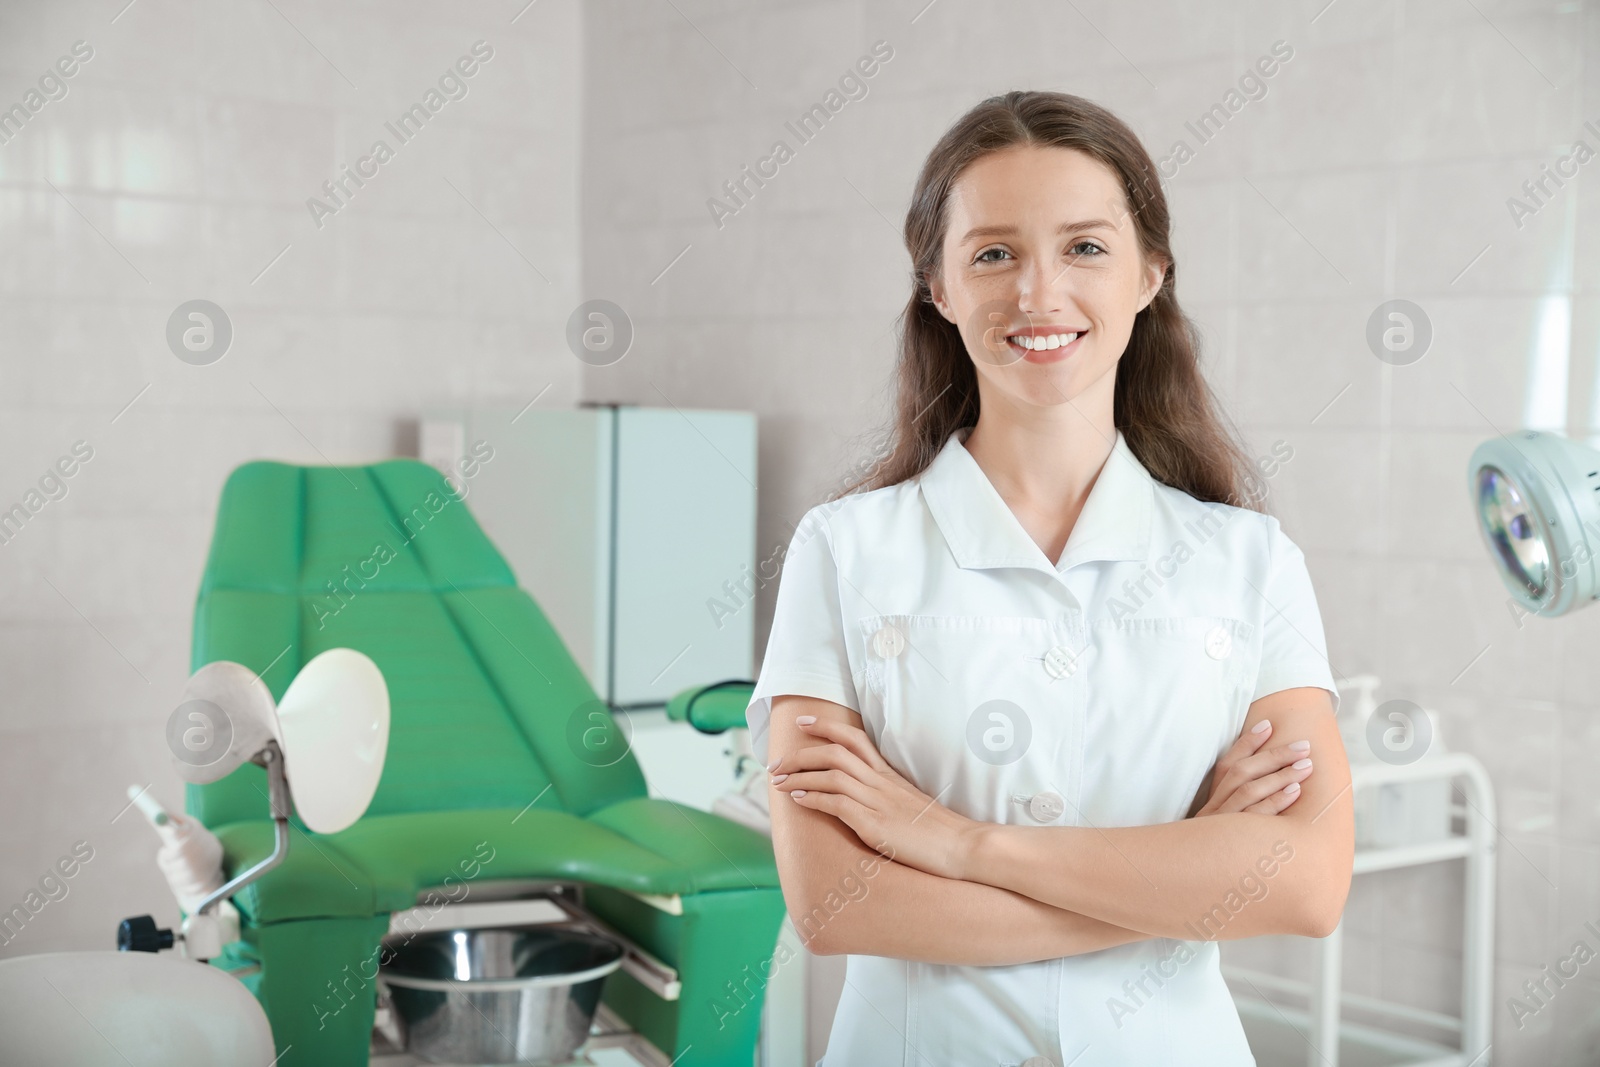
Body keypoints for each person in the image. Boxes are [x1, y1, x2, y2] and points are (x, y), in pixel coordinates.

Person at [746, 90, 1354, 1067]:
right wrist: (1180, 871)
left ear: (1149, 273)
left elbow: (1307, 884)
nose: (1038, 293)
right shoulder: (843, 549)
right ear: (937, 286)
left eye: (1084, 247)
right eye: (993, 253)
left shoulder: (1249, 561)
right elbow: (832, 902)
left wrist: (949, 840)